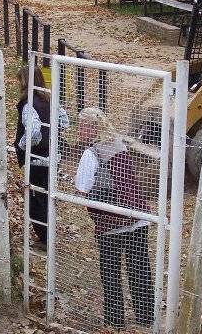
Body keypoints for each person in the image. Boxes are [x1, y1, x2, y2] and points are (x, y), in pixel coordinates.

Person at [74, 107, 154, 329]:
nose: (79, 130)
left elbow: (83, 186)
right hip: (137, 216)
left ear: (92, 128)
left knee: (110, 271)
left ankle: (115, 320)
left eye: (82, 125)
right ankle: (146, 316)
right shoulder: (119, 144)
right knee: (139, 268)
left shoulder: (92, 153)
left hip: (111, 221)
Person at [14, 65, 69, 245]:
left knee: (35, 200)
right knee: (47, 197)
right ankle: (48, 234)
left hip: (36, 159)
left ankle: (45, 238)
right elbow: (64, 122)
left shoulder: (28, 104)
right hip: (52, 156)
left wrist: (22, 146)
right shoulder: (50, 99)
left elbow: (34, 132)